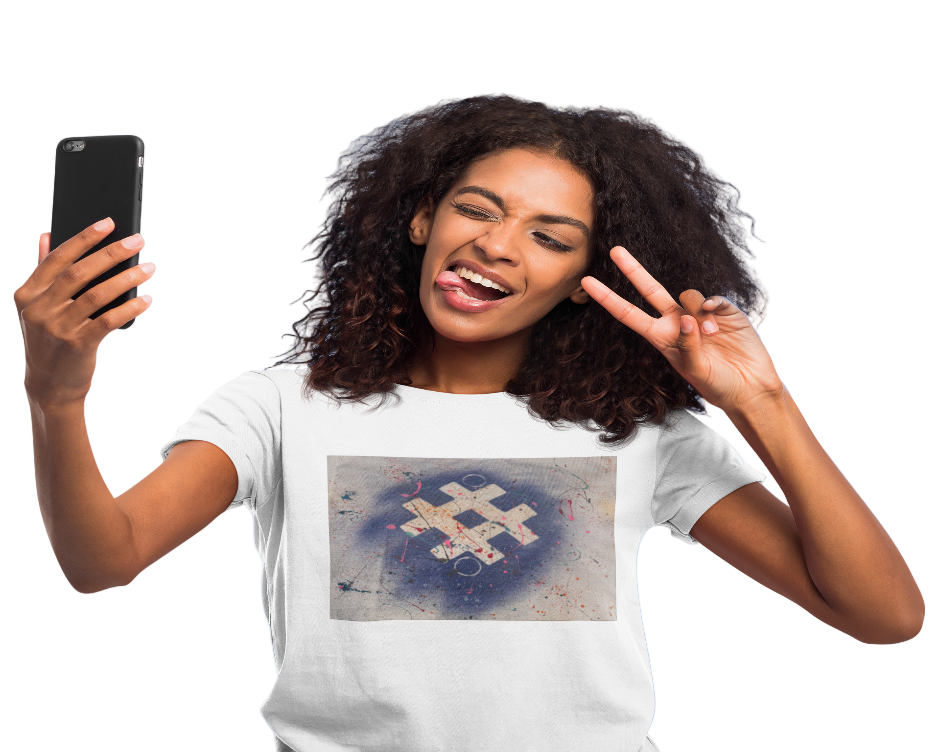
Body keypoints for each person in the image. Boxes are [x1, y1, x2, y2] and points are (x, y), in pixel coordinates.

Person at [16, 95, 924, 752]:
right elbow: (105, 560)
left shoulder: (637, 432)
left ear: (587, 281)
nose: (496, 244)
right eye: (477, 210)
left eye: (549, 237)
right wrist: (56, 397)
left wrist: (760, 402)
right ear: (422, 219)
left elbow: (883, 614)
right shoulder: (280, 408)